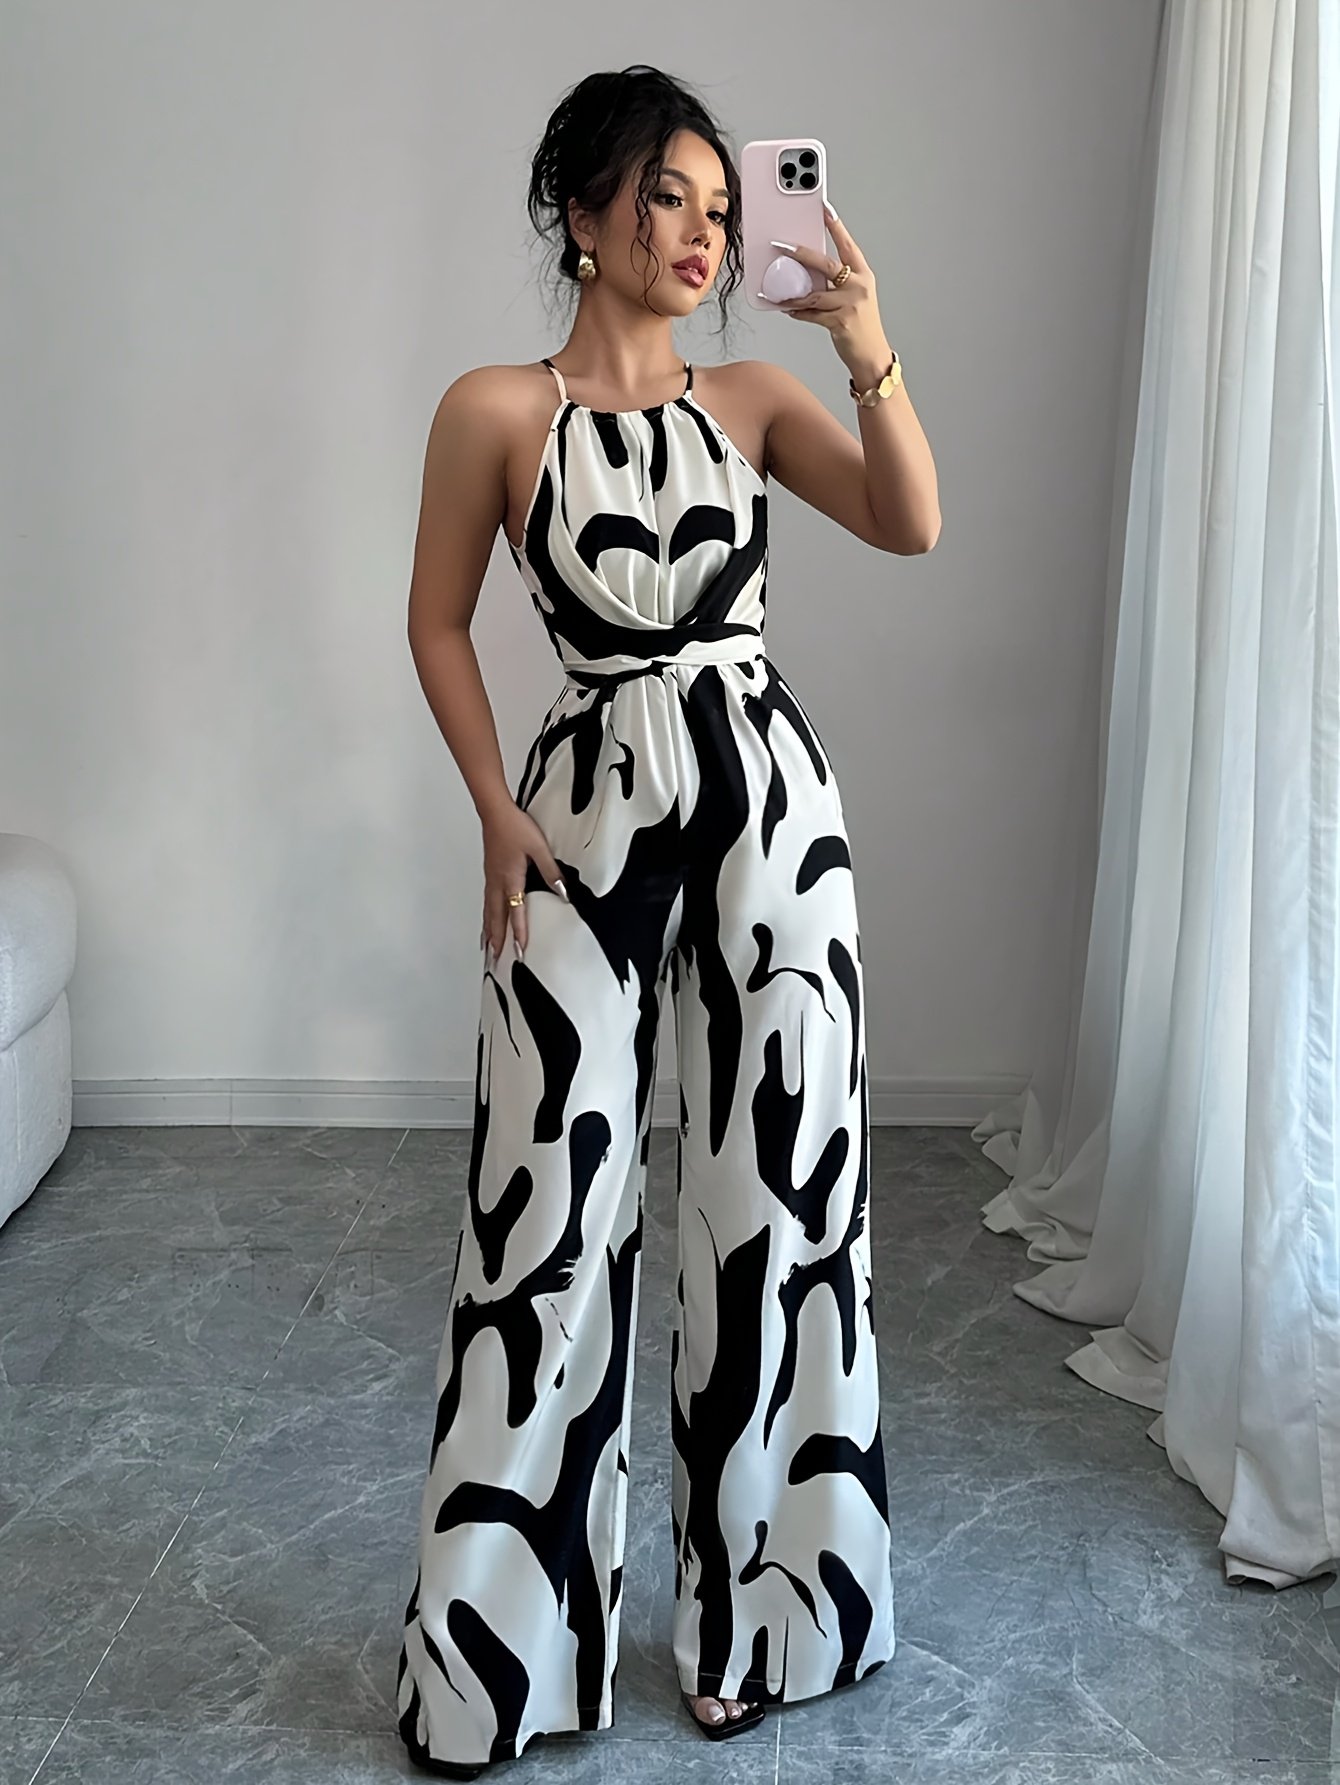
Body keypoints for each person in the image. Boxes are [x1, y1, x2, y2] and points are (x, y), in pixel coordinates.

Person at [396, 63, 941, 1780]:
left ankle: (754, 1621)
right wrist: (492, 809)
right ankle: (501, 1660)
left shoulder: (757, 399)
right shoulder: (497, 410)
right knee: (545, 1227)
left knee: (776, 1212)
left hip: (772, 822)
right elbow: (434, 621)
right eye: (666, 197)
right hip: (578, 823)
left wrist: (867, 343)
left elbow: (912, 520)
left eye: (721, 203)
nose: (703, 232)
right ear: (582, 212)